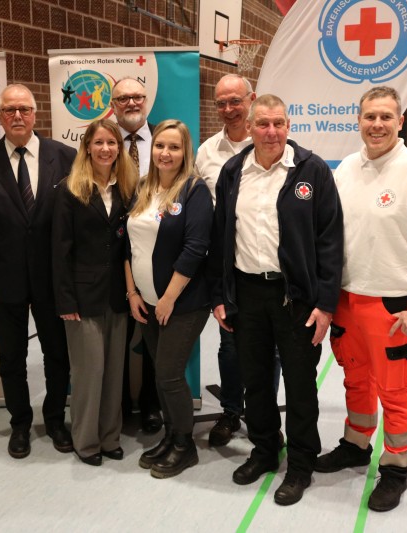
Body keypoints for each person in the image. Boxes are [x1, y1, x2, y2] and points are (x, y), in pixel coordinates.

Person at [315, 86, 407, 512]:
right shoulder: (346, 169)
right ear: (359, 120)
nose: (376, 124)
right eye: (369, 117)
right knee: (355, 380)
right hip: (346, 300)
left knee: (395, 391)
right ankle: (356, 444)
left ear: (400, 121)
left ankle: (395, 469)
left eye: (385, 117)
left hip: (392, 306)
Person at [208, 94, 343, 505]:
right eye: (263, 124)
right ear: (249, 127)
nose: (271, 132)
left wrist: (325, 304)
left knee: (300, 385)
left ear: (288, 126)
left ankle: (301, 463)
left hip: (296, 298)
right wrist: (220, 295)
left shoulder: (312, 171)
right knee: (256, 381)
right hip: (247, 294)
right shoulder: (233, 172)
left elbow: (331, 240)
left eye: (279, 123)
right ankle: (266, 450)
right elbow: (220, 237)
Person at [0, 84, 76, 459]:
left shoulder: (65, 156)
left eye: (24, 109)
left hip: (52, 279)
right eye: (9, 110)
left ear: (35, 113)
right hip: (2, 278)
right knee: (11, 359)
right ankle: (21, 424)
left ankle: (55, 419)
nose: (17, 116)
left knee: (57, 355)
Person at [195, 74, 281, 447]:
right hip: (227, 267)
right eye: (221, 103)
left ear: (252, 99)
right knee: (229, 344)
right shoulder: (206, 152)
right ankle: (231, 410)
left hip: (267, 265)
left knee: (270, 348)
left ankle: (265, 417)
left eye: (236, 101)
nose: (229, 109)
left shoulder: (273, 144)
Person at [125, 120, 213, 479]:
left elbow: (196, 248)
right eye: (160, 145)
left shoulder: (194, 190)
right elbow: (128, 246)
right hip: (146, 301)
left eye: (174, 147)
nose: (165, 153)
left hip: (183, 303)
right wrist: (133, 293)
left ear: (185, 152)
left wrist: (168, 298)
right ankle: (170, 435)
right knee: (161, 376)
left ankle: (184, 444)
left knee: (169, 374)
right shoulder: (143, 187)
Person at [51, 119, 137, 466]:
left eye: (111, 143)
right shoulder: (69, 190)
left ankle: (109, 437)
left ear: (119, 148)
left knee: (114, 373)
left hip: (117, 296)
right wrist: (65, 300)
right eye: (98, 142)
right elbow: (59, 250)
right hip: (82, 299)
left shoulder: (127, 189)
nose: (105, 149)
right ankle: (86, 442)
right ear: (87, 147)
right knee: (89, 374)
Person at [110, 76, 162, 433]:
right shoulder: (102, 141)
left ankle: (151, 404)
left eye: (137, 96)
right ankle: (116, 406)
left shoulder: (164, 139)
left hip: (156, 258)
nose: (131, 103)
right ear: (113, 105)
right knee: (117, 338)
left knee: (156, 339)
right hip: (111, 258)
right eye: (123, 98)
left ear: (146, 100)